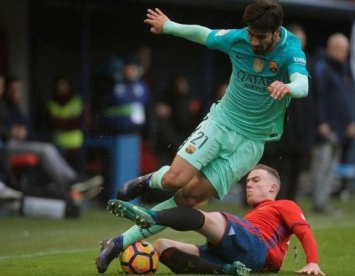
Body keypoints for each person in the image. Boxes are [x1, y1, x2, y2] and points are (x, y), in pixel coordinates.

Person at [96, 0, 309, 272]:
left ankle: (118, 242)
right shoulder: (238, 39)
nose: (254, 42)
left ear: (277, 31)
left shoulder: (290, 49)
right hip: (221, 123)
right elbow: (203, 34)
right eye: (252, 34)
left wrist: (289, 87)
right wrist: (169, 26)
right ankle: (149, 179)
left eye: (261, 37)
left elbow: (303, 82)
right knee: (175, 180)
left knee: (189, 198)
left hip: (251, 142)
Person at [106, 164, 325, 275]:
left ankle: (153, 217)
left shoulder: (284, 205)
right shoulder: (251, 217)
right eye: (247, 181)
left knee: (212, 218)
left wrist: (312, 261)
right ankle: (227, 270)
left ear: (273, 187)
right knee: (162, 247)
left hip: (257, 246)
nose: (249, 184)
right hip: (242, 255)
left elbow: (304, 231)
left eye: (256, 180)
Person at [260, 23, 315, 201]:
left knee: (297, 167)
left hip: (301, 126)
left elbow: (313, 97)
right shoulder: (276, 60)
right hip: (280, 123)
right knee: (278, 166)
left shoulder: (309, 64)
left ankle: (290, 202)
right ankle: (272, 202)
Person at [310, 33, 355, 213]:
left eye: (345, 49)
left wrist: (350, 121)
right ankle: (318, 202)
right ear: (330, 48)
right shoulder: (322, 67)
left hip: (340, 128)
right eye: (339, 49)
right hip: (325, 127)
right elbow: (318, 97)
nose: (343, 53)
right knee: (322, 165)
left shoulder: (344, 69)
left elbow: (346, 100)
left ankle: (323, 202)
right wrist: (322, 121)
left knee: (332, 167)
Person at [46, 76, 84, 172]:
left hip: (76, 143)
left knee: (76, 170)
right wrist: (68, 121)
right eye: (59, 87)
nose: (62, 89)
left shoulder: (77, 101)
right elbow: (52, 123)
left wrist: (62, 121)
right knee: (60, 171)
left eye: (64, 86)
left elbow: (79, 121)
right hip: (59, 143)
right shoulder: (52, 103)